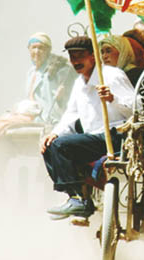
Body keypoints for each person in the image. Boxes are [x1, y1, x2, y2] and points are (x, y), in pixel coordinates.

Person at [41, 36, 135, 219]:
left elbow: (136, 109)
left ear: (93, 56)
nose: (76, 61)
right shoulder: (78, 83)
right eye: (72, 57)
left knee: (61, 146)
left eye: (80, 56)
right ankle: (77, 196)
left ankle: (78, 200)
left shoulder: (112, 75)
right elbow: (71, 114)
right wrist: (54, 133)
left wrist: (113, 98)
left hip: (116, 136)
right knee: (49, 146)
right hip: (94, 138)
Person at [0, 33, 74, 159]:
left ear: (48, 50)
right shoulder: (31, 72)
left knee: (0, 127)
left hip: (47, 117)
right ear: (29, 50)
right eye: (34, 48)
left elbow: (63, 100)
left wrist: (60, 98)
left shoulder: (59, 70)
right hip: (30, 113)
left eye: (41, 48)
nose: (37, 52)